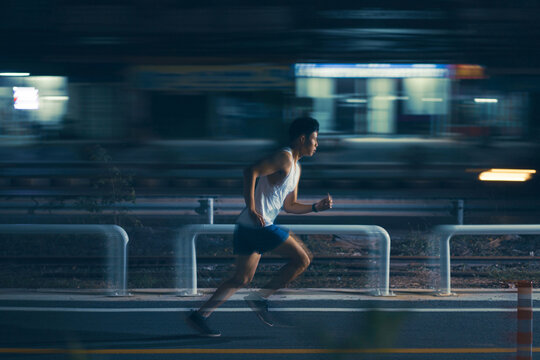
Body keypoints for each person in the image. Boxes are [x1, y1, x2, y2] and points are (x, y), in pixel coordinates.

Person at [186, 117, 333, 337]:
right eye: (315, 139)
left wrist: (315, 207)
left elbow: (290, 206)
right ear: (303, 139)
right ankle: (260, 298)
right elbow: (250, 171)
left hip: (248, 226)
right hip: (258, 225)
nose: (317, 144)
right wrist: (252, 208)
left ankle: (200, 316)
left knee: (241, 279)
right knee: (303, 259)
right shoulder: (284, 157)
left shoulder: (296, 168)